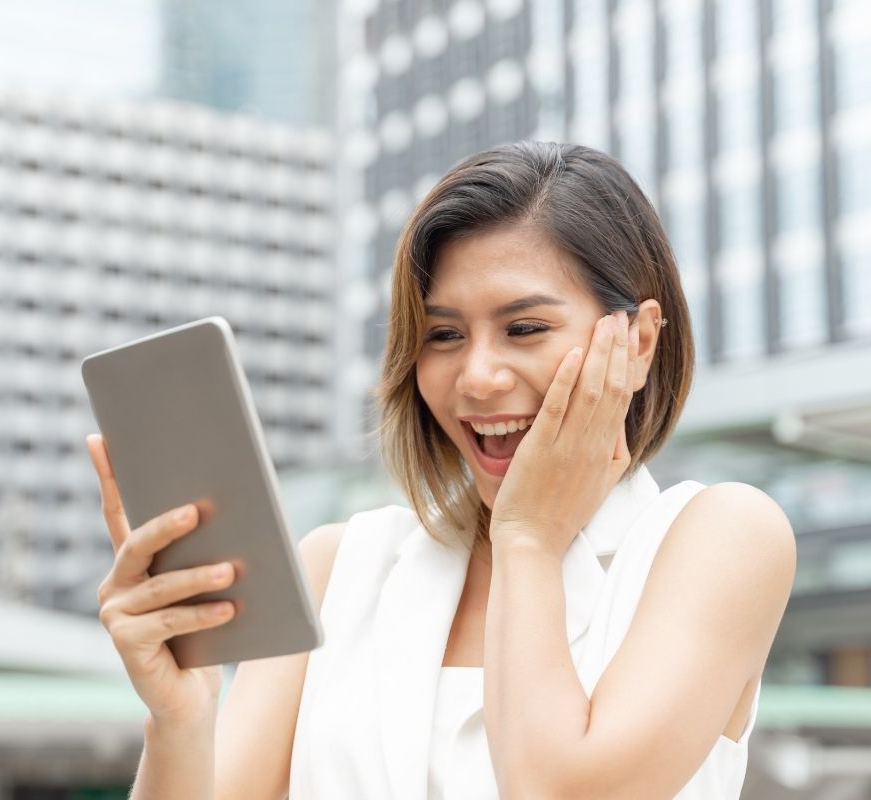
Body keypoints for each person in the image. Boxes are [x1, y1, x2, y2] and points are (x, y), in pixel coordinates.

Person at [86, 141, 796, 799]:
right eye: (444, 336)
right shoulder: (342, 566)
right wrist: (179, 718)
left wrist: (528, 539)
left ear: (638, 341)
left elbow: (560, 790)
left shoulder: (719, 538)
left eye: (525, 329)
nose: (478, 378)